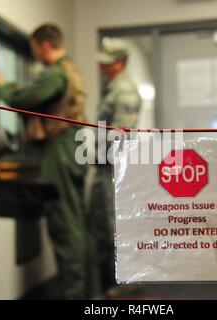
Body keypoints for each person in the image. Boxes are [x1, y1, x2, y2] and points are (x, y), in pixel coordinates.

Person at [0, 24, 99, 299]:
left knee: (66, 227)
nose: (35, 56)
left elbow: (24, 98)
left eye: (34, 50)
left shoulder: (55, 74)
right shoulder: (70, 69)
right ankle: (91, 294)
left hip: (62, 151)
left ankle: (76, 294)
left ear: (44, 45)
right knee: (79, 224)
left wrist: (4, 87)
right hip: (73, 149)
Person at [89, 38, 142, 297]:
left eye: (107, 62)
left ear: (120, 63)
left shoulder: (125, 92)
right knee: (102, 224)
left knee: (115, 225)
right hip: (104, 166)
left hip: (114, 167)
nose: (102, 66)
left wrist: (98, 154)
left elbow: (119, 137)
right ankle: (110, 283)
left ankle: (125, 284)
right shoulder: (111, 88)